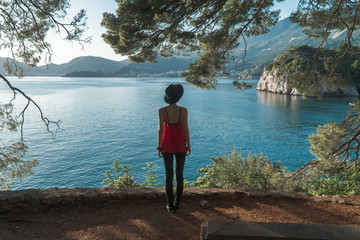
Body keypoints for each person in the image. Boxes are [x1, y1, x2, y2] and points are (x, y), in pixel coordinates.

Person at [157, 83, 191, 212]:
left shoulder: (162, 111)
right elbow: (186, 129)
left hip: (167, 144)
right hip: (181, 144)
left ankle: (170, 205)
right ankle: (178, 205)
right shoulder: (183, 110)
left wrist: (159, 146)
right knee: (179, 175)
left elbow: (160, 130)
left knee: (168, 176)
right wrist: (189, 144)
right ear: (178, 98)